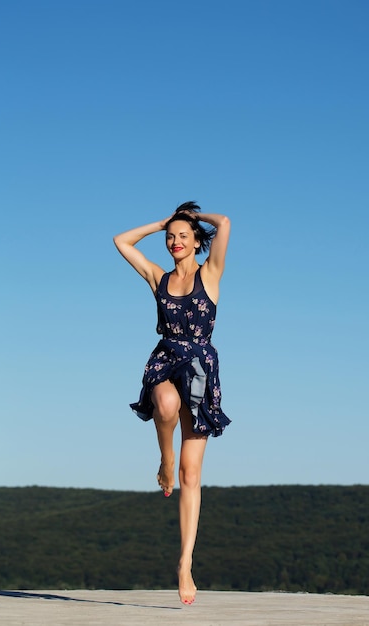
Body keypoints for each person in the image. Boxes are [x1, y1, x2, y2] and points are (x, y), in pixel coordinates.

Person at [113, 202, 231, 605]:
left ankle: (185, 564)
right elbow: (121, 241)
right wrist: (160, 222)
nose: (175, 242)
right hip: (166, 360)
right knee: (163, 404)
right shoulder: (158, 279)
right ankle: (164, 460)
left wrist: (195, 219)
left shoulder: (210, 275)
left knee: (191, 474)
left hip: (199, 371)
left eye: (183, 236)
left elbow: (226, 223)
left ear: (197, 241)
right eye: (170, 237)